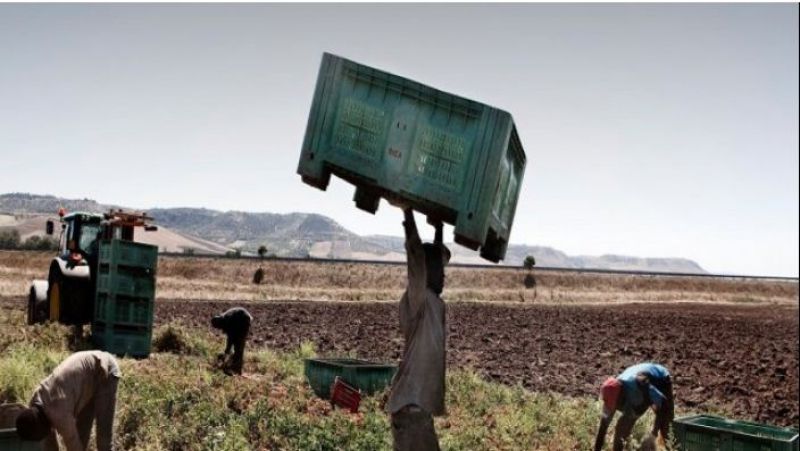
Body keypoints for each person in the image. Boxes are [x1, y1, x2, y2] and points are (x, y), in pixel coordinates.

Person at [387, 207, 451, 451]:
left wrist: (439, 229)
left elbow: (432, 257)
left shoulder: (434, 302)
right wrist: (408, 212)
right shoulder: (419, 298)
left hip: (416, 412)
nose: (444, 276)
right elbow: (415, 255)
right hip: (411, 411)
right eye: (440, 270)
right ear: (426, 272)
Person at [15, 350, 121, 451]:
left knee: (103, 442)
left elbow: (74, 446)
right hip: (84, 381)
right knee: (81, 436)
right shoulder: (35, 404)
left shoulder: (60, 414)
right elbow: (50, 444)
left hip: (104, 371)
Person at [593, 363, 674, 451]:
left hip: (660, 380)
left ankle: (673, 448)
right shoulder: (610, 394)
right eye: (613, 406)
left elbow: (664, 403)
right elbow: (602, 429)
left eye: (617, 405)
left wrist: (653, 434)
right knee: (622, 428)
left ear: (621, 395)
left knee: (667, 429)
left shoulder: (639, 383)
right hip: (637, 396)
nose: (615, 408)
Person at [211, 306, 253, 375]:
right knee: (238, 345)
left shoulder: (226, 320)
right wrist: (227, 350)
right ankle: (236, 367)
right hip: (240, 320)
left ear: (218, 324)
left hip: (243, 319)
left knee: (239, 346)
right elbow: (231, 336)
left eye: (218, 327)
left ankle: (237, 369)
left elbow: (230, 338)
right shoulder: (224, 318)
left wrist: (227, 350)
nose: (219, 329)